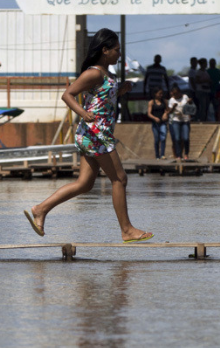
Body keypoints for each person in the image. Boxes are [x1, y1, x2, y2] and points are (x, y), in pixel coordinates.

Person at [24, 28, 154, 244]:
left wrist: (119, 90)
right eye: (117, 50)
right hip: (96, 134)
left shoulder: (105, 73)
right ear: (105, 50)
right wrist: (83, 113)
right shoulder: (94, 72)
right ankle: (127, 230)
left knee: (84, 184)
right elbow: (68, 94)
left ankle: (41, 209)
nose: (119, 54)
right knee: (119, 178)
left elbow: (100, 96)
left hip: (95, 133)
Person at [167, 84, 193, 160]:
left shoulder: (185, 97)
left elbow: (190, 105)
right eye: (174, 94)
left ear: (179, 92)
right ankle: (178, 155)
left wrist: (190, 102)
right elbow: (170, 111)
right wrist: (174, 107)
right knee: (177, 138)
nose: (175, 96)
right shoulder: (171, 100)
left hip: (185, 119)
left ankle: (186, 153)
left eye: (176, 94)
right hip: (176, 120)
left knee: (186, 138)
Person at [146, 88, 169, 159]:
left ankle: (162, 154)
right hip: (155, 123)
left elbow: (167, 110)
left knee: (163, 137)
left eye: (162, 93)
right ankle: (157, 155)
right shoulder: (152, 102)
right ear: (155, 94)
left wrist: (165, 114)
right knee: (156, 139)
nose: (161, 95)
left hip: (163, 122)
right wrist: (155, 118)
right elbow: (149, 113)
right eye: (159, 93)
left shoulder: (164, 101)